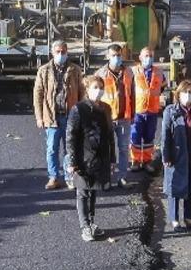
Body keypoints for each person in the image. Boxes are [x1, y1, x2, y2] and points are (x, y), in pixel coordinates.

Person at [67, 76, 116, 242]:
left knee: (94, 189)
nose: (99, 90)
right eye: (95, 87)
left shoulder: (106, 109)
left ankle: (92, 222)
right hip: (83, 157)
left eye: (101, 87)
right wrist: (72, 161)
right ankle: (84, 225)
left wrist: (112, 159)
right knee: (82, 191)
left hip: (100, 157)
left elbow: (110, 135)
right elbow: (71, 136)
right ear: (87, 89)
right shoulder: (78, 109)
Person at [34, 40, 83, 190]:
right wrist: (39, 117)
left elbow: (82, 92)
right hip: (52, 117)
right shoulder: (44, 70)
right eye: (57, 52)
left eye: (63, 52)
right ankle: (53, 177)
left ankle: (69, 177)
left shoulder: (75, 70)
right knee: (52, 148)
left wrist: (80, 115)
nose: (60, 55)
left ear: (67, 52)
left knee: (70, 149)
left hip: (70, 117)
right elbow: (38, 94)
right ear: (52, 53)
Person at [162, 80, 191, 232]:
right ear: (178, 93)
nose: (188, 95)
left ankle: (189, 218)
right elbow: (165, 135)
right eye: (185, 92)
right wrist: (166, 156)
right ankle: (174, 220)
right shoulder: (170, 111)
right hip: (177, 154)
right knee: (174, 187)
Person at [96, 44, 134, 188]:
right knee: (105, 149)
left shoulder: (129, 73)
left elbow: (133, 94)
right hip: (107, 118)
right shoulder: (101, 74)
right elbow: (95, 97)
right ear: (108, 56)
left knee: (124, 149)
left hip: (124, 117)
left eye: (119, 55)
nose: (117, 58)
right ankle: (106, 178)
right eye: (113, 55)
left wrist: (133, 114)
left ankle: (122, 177)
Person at [130, 46, 165, 174]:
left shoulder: (159, 72)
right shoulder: (133, 72)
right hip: (138, 110)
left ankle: (147, 160)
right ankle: (135, 160)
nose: (148, 58)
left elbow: (162, 87)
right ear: (140, 57)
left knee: (149, 137)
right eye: (146, 56)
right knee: (135, 136)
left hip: (152, 110)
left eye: (150, 56)